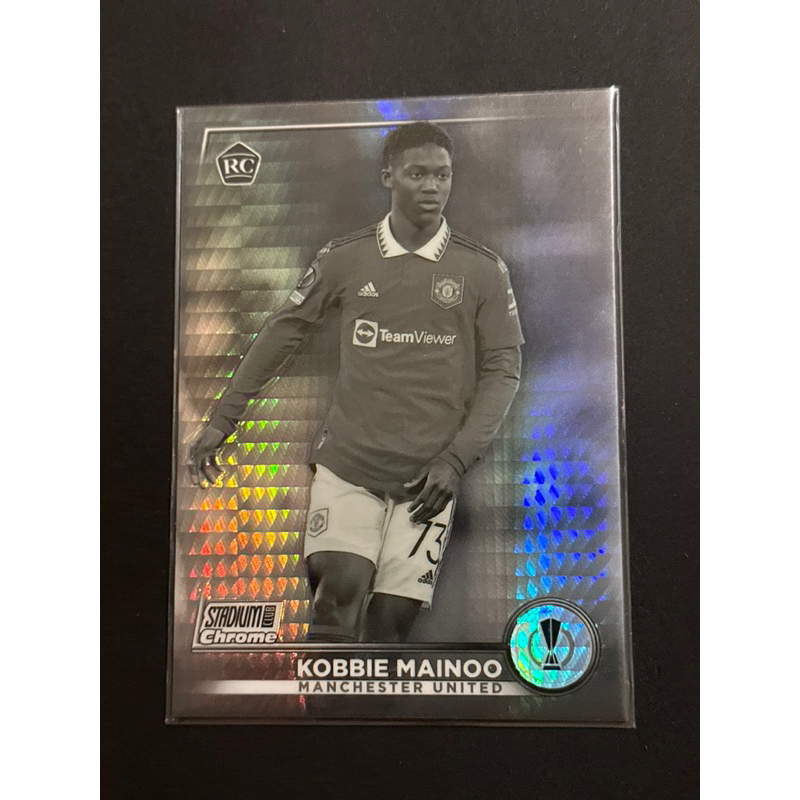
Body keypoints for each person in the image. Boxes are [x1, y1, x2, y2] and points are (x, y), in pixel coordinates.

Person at [189, 121, 524, 643]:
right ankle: (316, 697)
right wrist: (223, 419)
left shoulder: (483, 270)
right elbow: (282, 332)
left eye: (442, 175)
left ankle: (365, 698)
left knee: (389, 628)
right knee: (335, 599)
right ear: (388, 176)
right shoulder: (346, 257)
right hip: (349, 466)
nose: (432, 187)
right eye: (417, 174)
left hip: (427, 482)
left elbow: (504, 368)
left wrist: (455, 460)